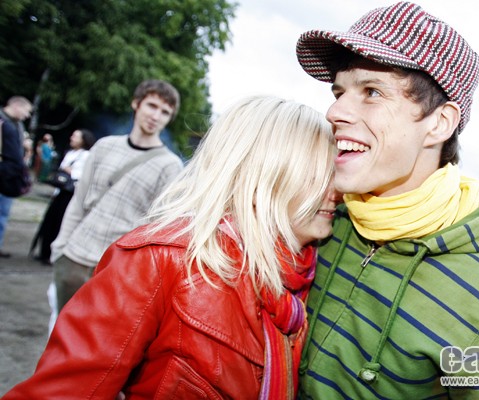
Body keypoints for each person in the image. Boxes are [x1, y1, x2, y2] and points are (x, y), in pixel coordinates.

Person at [3, 95, 338, 399]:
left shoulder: (298, 276)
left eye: (334, 174)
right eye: (317, 176)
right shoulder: (160, 259)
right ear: (262, 176)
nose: (335, 192)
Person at [295, 2, 479, 398]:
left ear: (440, 123)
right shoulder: (320, 214)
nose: (334, 111)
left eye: (372, 92)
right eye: (339, 92)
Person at [50, 79, 184, 313]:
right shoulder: (104, 146)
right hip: (73, 257)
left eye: (165, 112)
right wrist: (60, 247)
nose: (156, 116)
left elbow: (157, 228)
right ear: (136, 104)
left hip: (115, 269)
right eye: (152, 106)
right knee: (58, 329)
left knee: (95, 335)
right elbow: (79, 201)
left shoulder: (170, 166)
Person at [30, 129, 97, 265]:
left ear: (84, 140)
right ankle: (44, 252)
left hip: (70, 194)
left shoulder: (86, 156)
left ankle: (53, 254)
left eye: (75, 136)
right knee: (49, 222)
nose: (72, 138)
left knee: (59, 224)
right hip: (60, 192)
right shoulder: (70, 153)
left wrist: (68, 170)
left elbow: (81, 176)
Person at [0, 96, 33, 258]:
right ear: (16, 106)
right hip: (5, 174)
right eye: (26, 111)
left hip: (8, 176)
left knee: (2, 214)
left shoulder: (16, 125)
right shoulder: (4, 123)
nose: (27, 116)